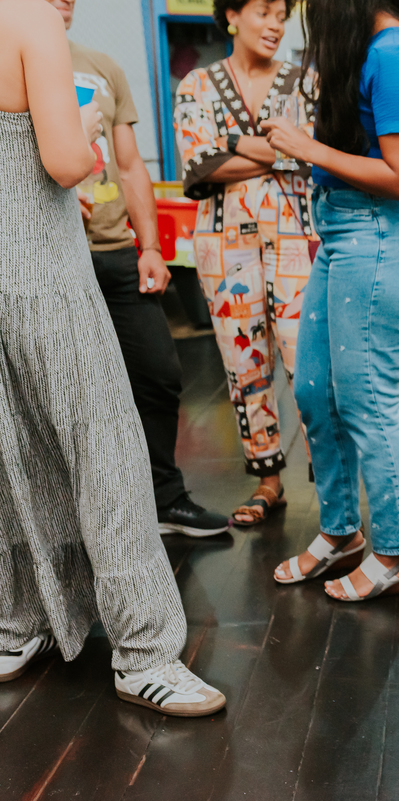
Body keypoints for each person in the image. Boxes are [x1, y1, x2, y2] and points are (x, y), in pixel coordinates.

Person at [0, 0, 224, 714]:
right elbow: (66, 162)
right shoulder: (29, 18)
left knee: (13, 454)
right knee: (108, 452)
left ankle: (17, 623)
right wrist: (88, 128)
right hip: (41, 270)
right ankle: (144, 651)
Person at [263, 0, 399, 600]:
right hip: (344, 231)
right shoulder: (371, 47)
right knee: (314, 388)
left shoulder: (391, 52)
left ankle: (398, 552)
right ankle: (342, 533)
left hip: (380, 234)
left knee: (366, 399)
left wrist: (305, 148)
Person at [49, 0, 230, 538]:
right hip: (54, 259)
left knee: (159, 374)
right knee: (68, 395)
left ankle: (163, 499)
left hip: (117, 252)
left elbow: (128, 164)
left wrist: (149, 245)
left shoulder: (103, 66)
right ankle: (76, 526)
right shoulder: (15, 63)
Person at [173, 0, 319, 526]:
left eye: (283, 13)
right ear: (232, 15)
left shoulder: (307, 82)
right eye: (263, 11)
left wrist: (232, 142)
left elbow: (312, 154)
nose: (276, 24)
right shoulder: (196, 85)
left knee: (308, 363)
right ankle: (268, 479)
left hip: (296, 239)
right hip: (221, 244)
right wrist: (276, 148)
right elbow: (198, 167)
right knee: (244, 364)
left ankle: (332, 486)